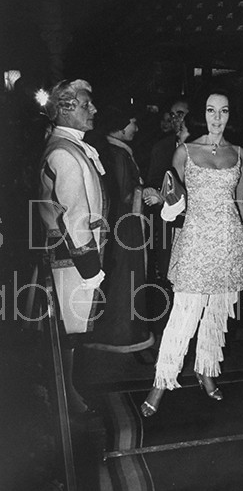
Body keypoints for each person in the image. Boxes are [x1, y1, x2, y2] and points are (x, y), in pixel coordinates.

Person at [141, 89, 243, 416]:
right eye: (211, 110)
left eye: (223, 111)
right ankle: (161, 382)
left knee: (217, 312)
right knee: (184, 314)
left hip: (229, 240)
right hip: (194, 239)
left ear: (230, 114)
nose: (217, 118)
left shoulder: (238, 153)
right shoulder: (184, 151)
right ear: (202, 114)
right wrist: (168, 208)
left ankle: (206, 370)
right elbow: (173, 198)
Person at [38, 79, 107, 414]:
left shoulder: (71, 146)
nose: (93, 109)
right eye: (85, 104)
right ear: (65, 109)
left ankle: (66, 391)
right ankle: (64, 397)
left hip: (76, 254)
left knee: (73, 330)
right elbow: (75, 219)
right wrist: (91, 269)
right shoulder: (64, 153)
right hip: (72, 258)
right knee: (70, 331)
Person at [85, 103, 154, 357]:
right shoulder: (118, 154)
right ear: (121, 125)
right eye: (132, 122)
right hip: (126, 228)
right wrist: (145, 191)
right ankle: (123, 335)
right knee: (126, 282)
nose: (135, 128)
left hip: (118, 226)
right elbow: (126, 194)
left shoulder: (111, 150)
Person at [144, 97, 191, 283]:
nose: (175, 120)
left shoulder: (201, 149)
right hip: (168, 222)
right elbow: (152, 182)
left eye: (180, 114)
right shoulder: (162, 147)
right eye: (172, 115)